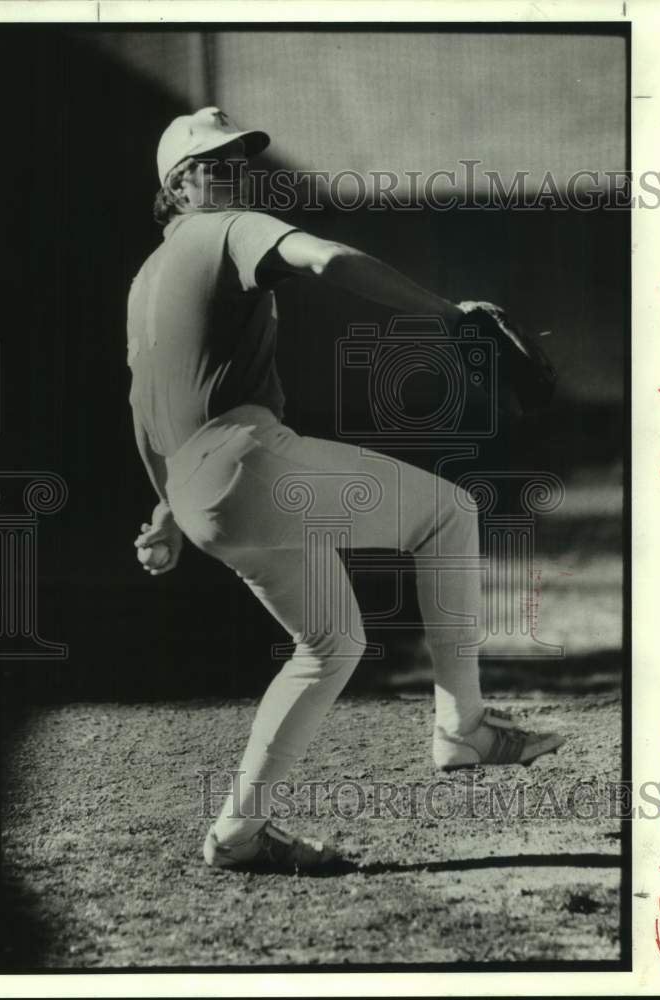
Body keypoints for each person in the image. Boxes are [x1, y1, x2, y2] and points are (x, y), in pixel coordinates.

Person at [128, 107, 564, 872]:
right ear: (177, 183)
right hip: (249, 461)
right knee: (448, 514)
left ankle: (238, 833)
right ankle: (462, 727)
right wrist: (446, 314)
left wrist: (166, 512)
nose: (234, 170)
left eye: (240, 159)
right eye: (213, 161)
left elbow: (145, 406)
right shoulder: (230, 229)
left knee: (331, 644)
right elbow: (326, 259)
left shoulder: (143, 282)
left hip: (203, 494)